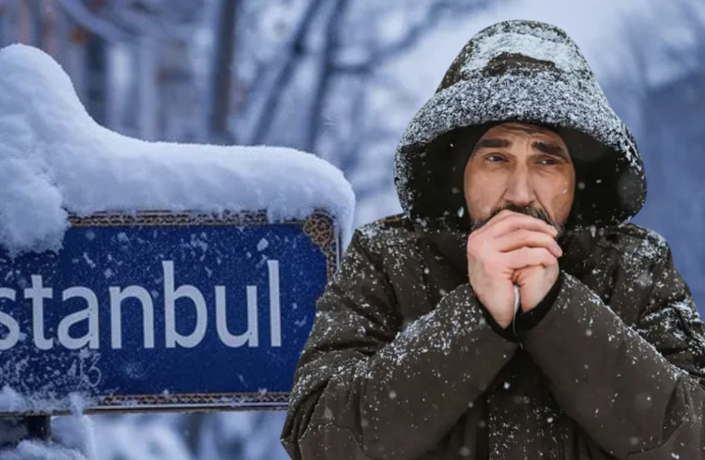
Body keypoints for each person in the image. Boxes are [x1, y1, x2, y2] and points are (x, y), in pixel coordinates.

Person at [279, 19, 705, 460]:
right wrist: (475, 317)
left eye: (547, 161)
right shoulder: (387, 261)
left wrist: (557, 309)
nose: (520, 193)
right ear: (458, 172)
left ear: (577, 179)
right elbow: (321, 440)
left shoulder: (635, 266)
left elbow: (693, 439)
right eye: (496, 158)